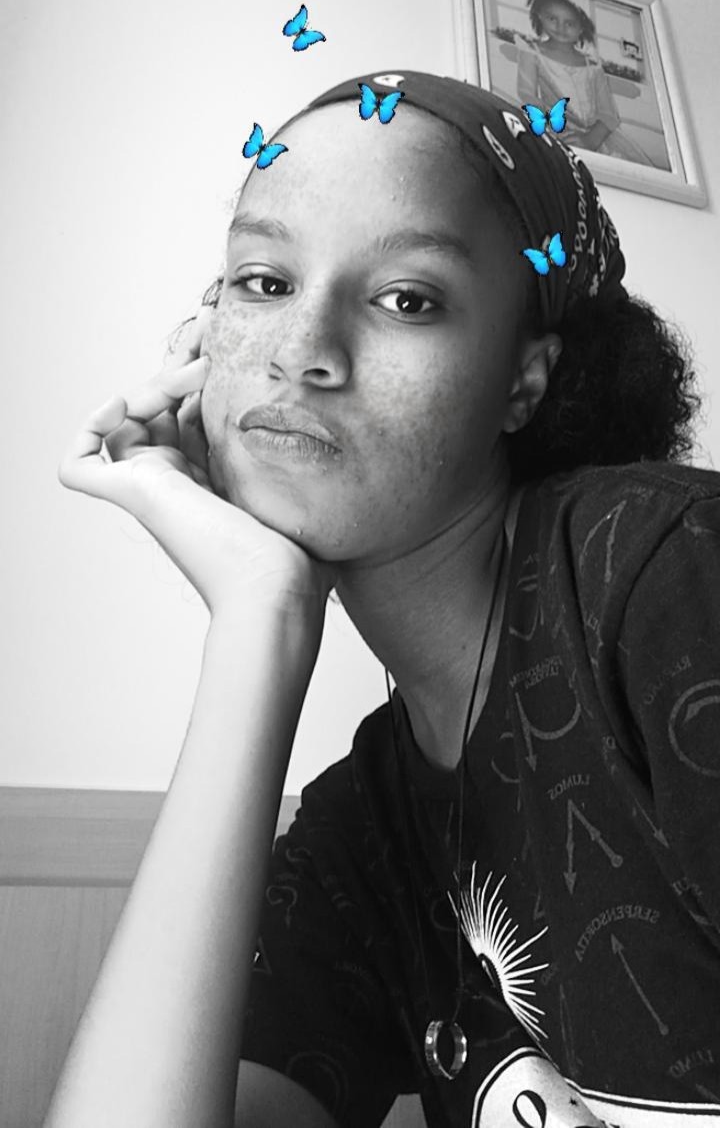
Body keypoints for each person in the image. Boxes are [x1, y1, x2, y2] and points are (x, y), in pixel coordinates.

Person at [48, 71, 718, 1128]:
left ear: (525, 379)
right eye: (263, 280)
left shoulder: (672, 571)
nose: (302, 350)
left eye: (408, 298)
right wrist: (258, 623)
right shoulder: (365, 829)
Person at [515, 0, 656, 165]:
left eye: (570, 23)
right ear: (540, 17)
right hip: (556, 129)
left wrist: (589, 140)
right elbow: (527, 95)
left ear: (581, 28)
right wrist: (547, 130)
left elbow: (609, 113)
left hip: (597, 137)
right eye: (552, 18)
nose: (560, 27)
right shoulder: (531, 52)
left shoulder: (592, 65)